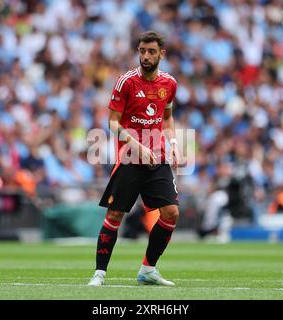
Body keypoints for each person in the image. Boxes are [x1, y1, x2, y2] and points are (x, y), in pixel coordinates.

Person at [88, 31, 180, 286]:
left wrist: (172, 144)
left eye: (151, 51)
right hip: (130, 157)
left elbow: (167, 117)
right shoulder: (126, 82)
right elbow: (113, 124)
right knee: (115, 214)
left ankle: (148, 270)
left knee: (171, 213)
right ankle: (99, 273)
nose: (145, 56)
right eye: (142, 51)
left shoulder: (169, 84)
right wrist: (138, 146)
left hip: (157, 157)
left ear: (162, 54)